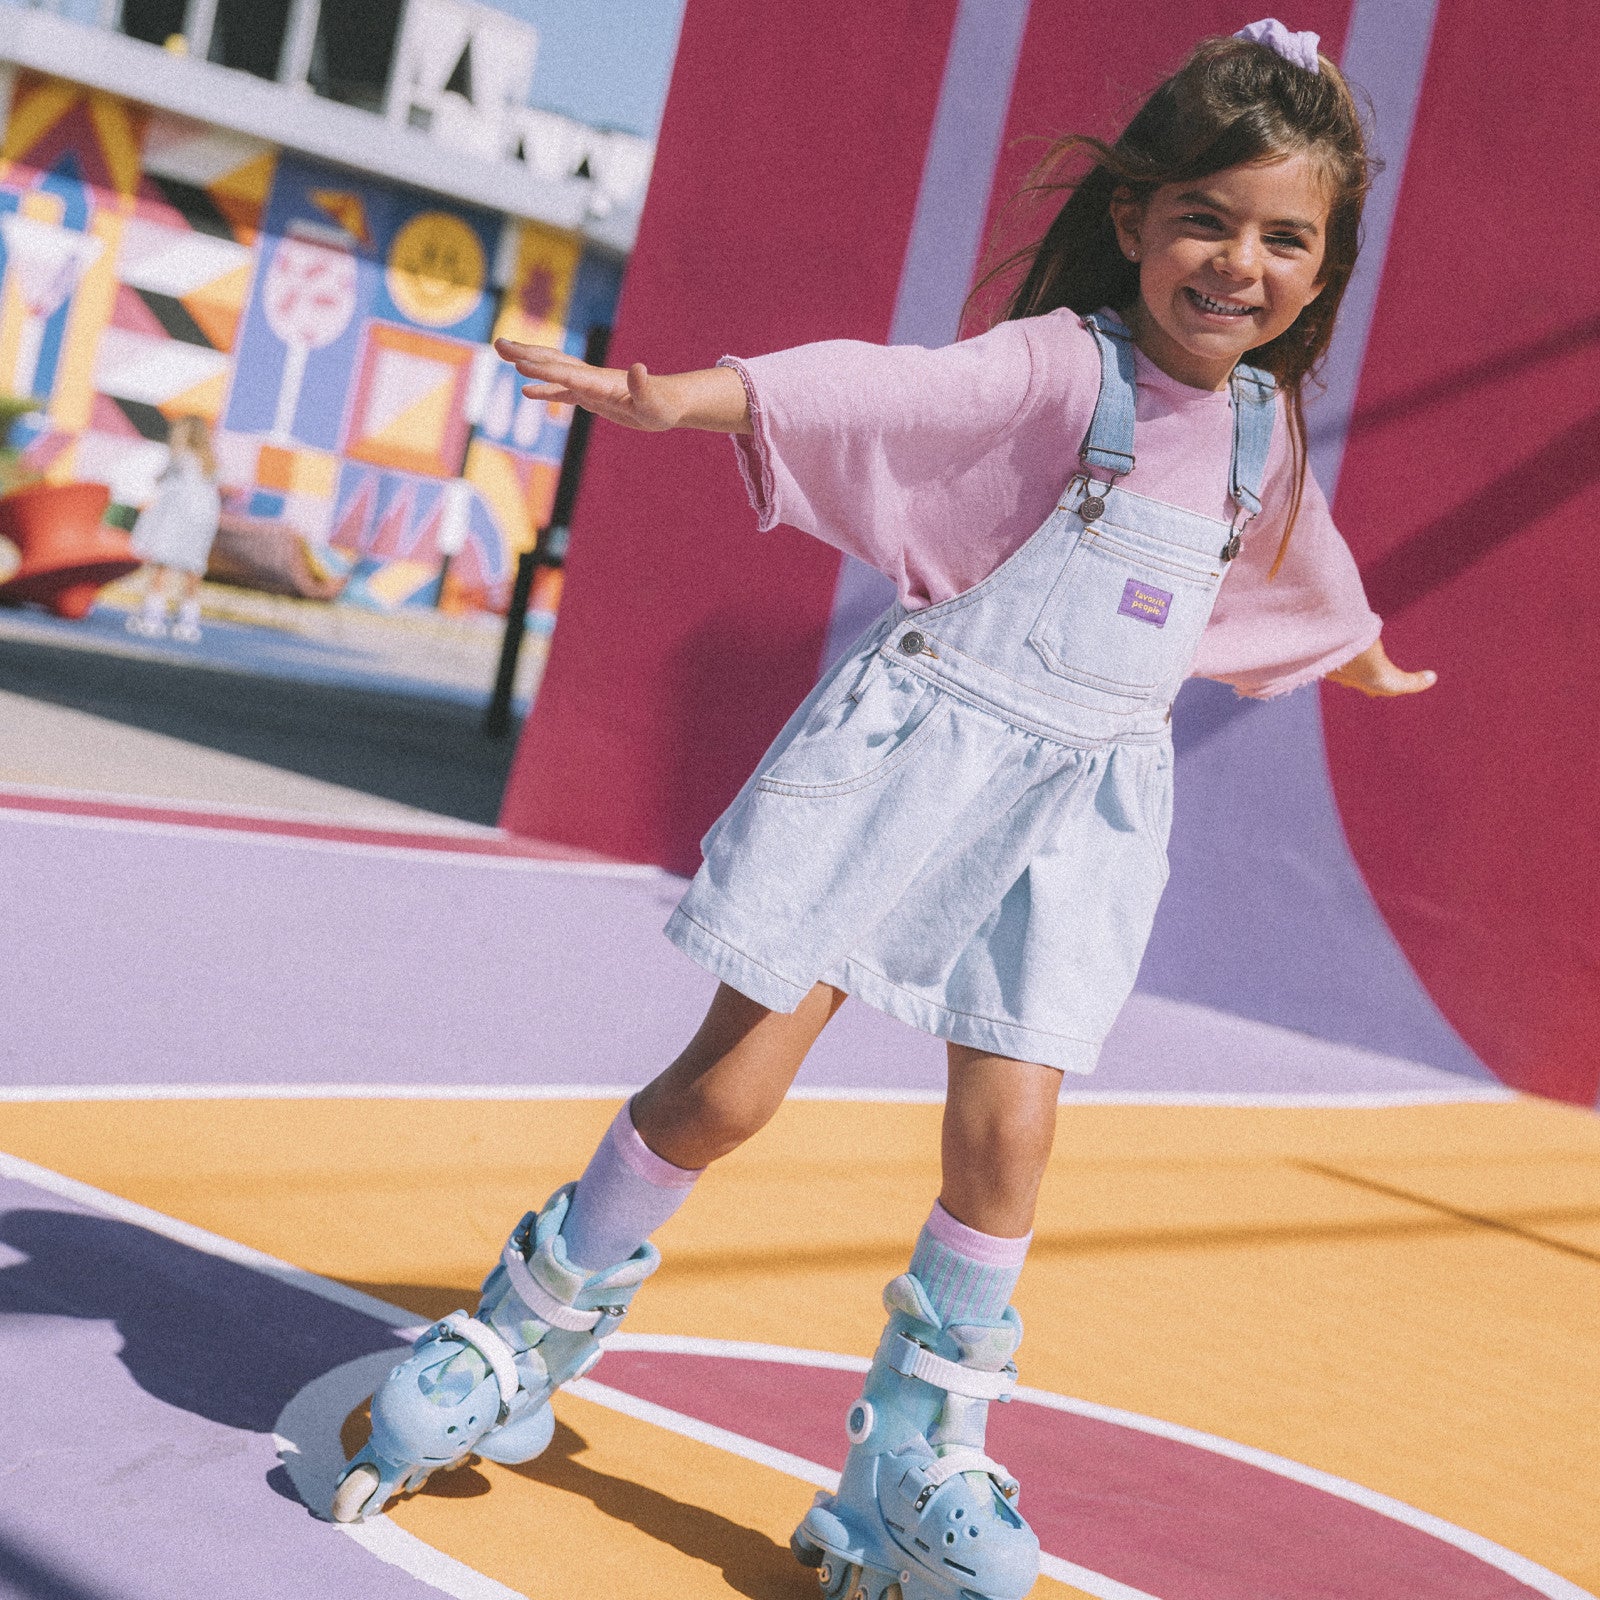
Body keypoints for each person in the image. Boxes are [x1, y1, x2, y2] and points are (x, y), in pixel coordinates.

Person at [333, 21, 1436, 1599]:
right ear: (1135, 218)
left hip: (1075, 817)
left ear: (1324, 268)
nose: (1239, 263)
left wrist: (1358, 647)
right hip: (924, 767)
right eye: (1207, 219)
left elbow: (1299, 568)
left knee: (1011, 1134)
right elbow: (891, 389)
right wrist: (688, 397)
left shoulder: (1261, 434)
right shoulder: (1067, 365)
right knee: (726, 1095)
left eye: (1285, 238)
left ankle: (917, 1448)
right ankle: (526, 1326)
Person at [125, 414, 221, 643]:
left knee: (162, 565)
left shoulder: (179, 459)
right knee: (193, 569)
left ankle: (153, 616)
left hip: (175, 520)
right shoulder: (210, 464)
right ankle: (188, 620)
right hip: (201, 523)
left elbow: (163, 483)